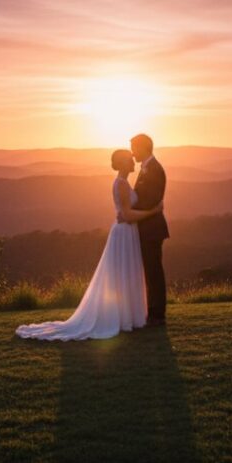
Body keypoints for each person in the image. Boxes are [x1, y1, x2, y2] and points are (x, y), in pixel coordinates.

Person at [15, 149, 163, 341]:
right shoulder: (121, 184)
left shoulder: (123, 183)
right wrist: (154, 211)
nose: (133, 161)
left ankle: (128, 316)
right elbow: (127, 215)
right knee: (122, 273)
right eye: (129, 159)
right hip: (124, 233)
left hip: (128, 233)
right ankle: (122, 318)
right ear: (123, 163)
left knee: (126, 273)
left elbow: (127, 212)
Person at [126, 133, 169, 326]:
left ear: (144, 148)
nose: (132, 152)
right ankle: (151, 311)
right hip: (145, 228)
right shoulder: (146, 168)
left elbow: (149, 201)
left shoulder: (154, 169)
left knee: (154, 272)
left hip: (152, 230)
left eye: (134, 148)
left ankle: (157, 315)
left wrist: (128, 212)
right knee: (149, 272)